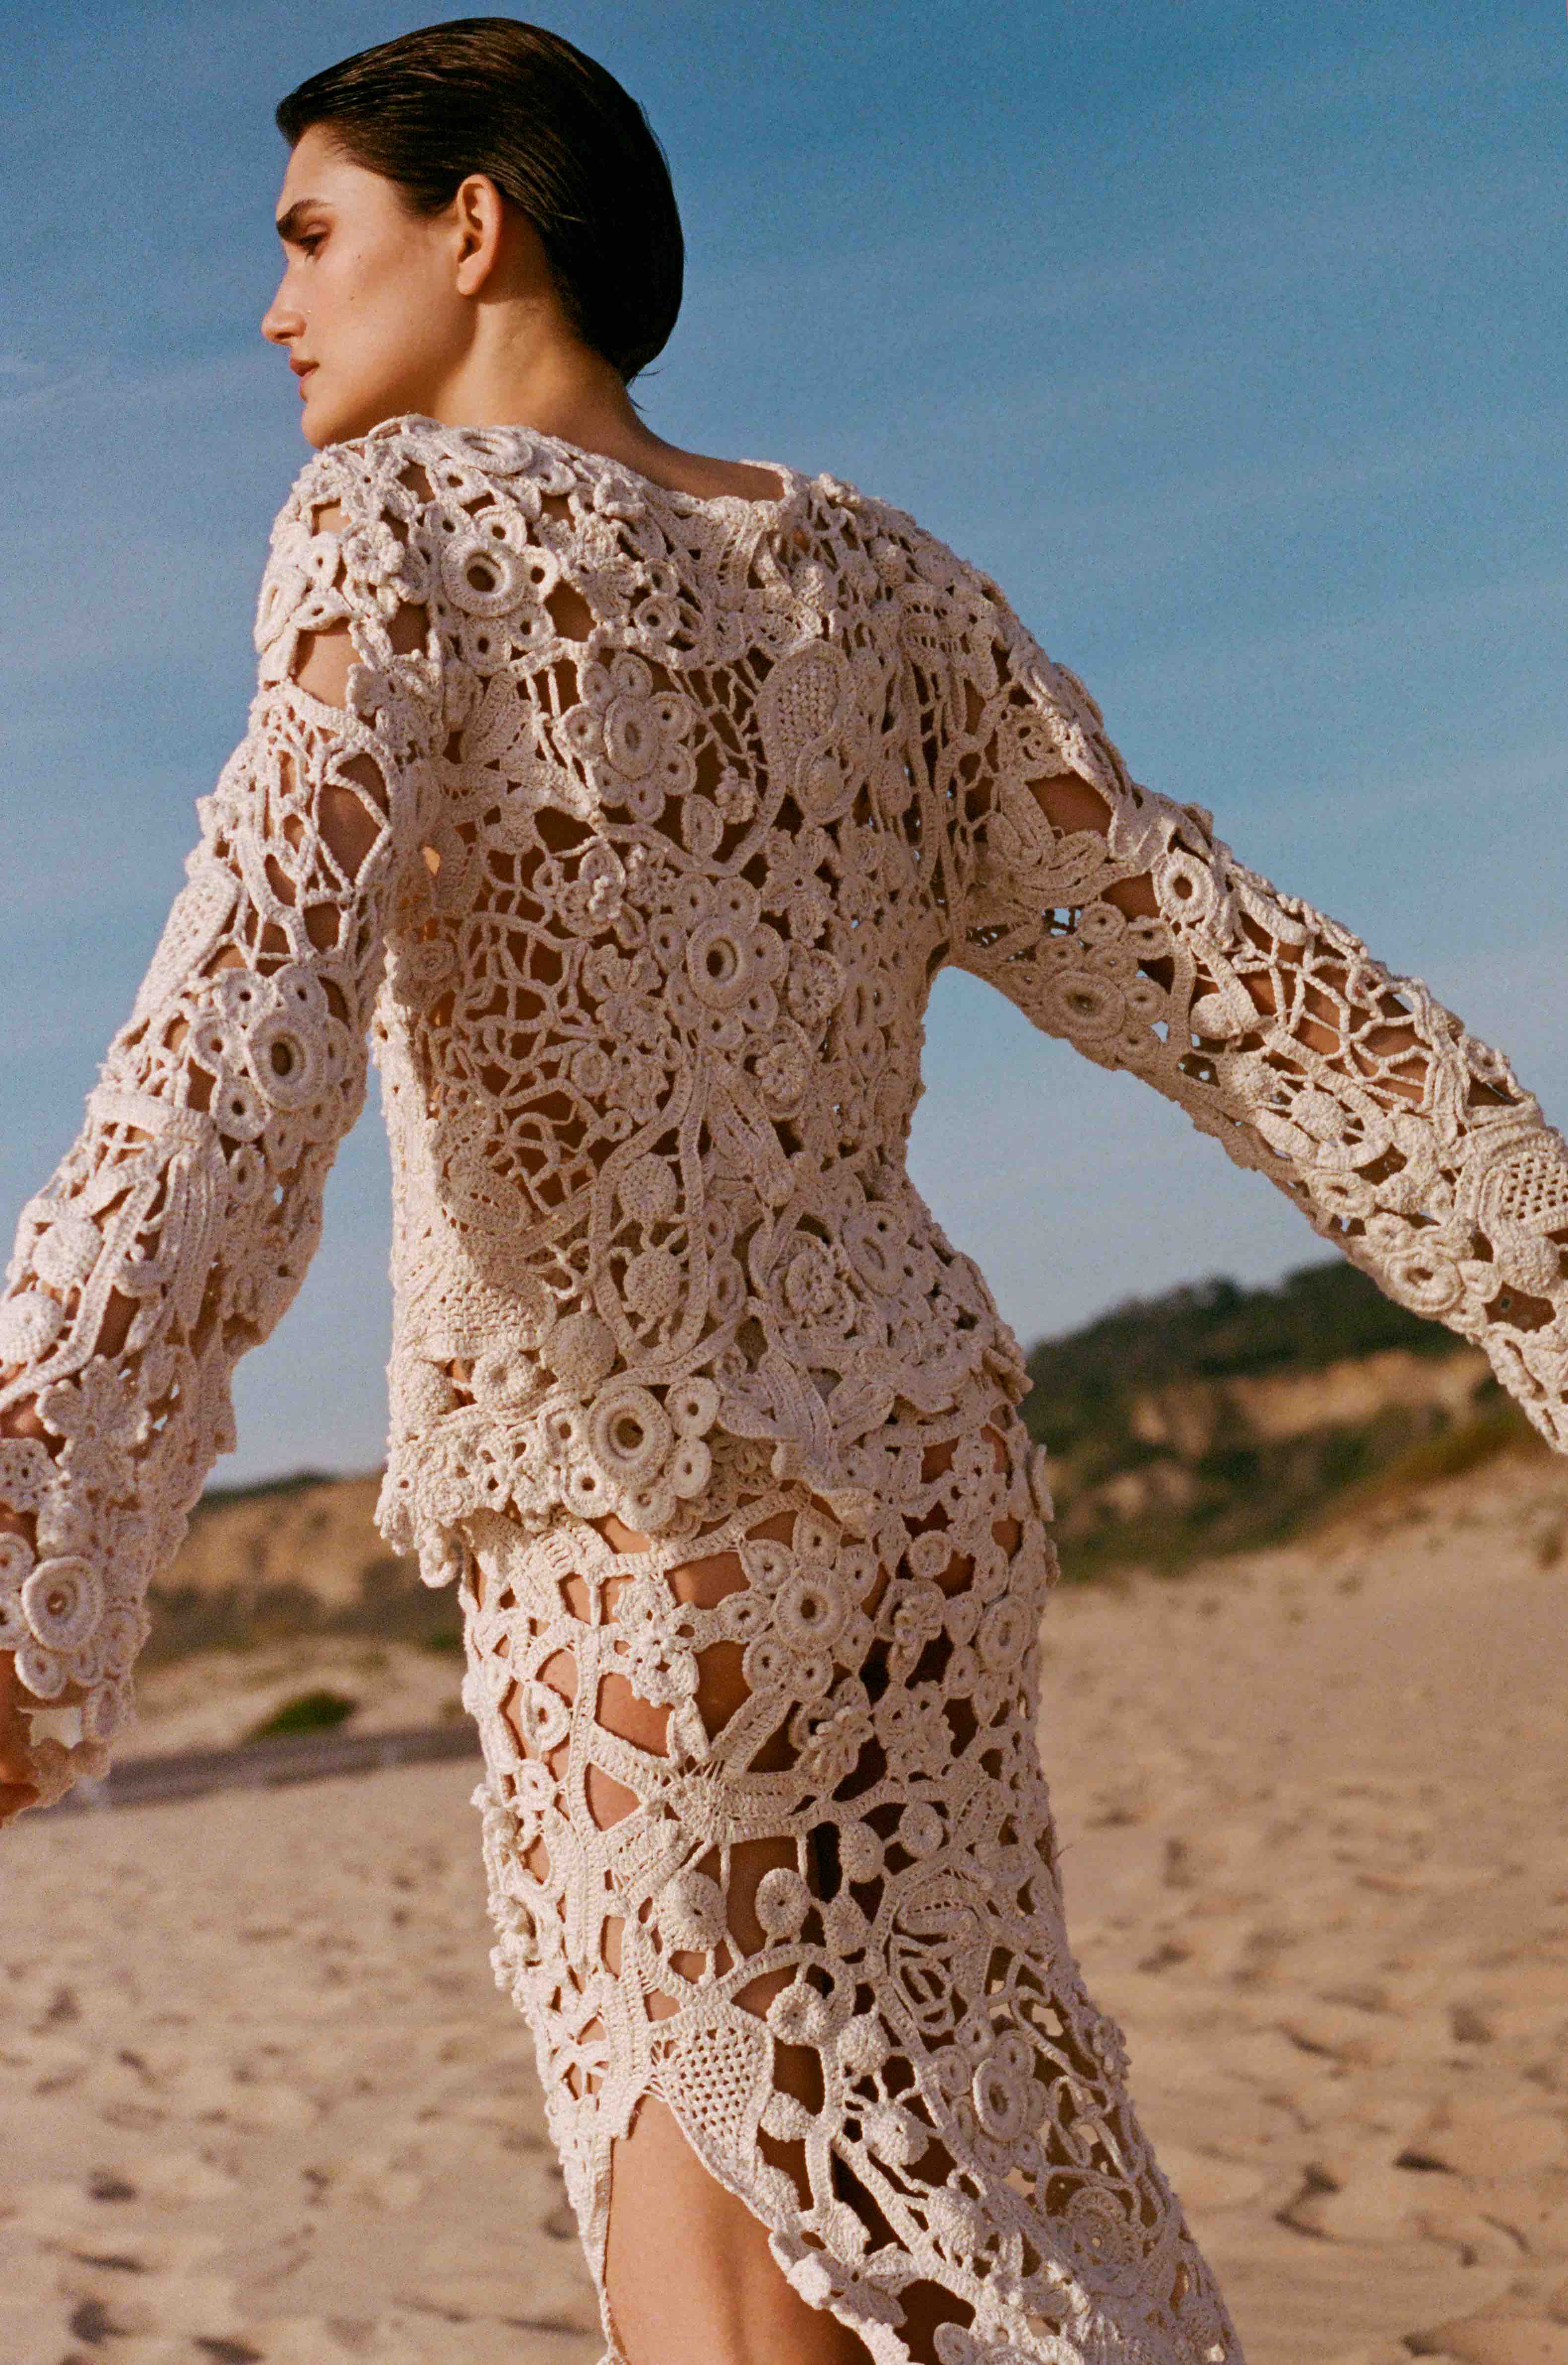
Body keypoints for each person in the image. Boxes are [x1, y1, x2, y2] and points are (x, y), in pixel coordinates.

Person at [1, 18, 1565, 2365]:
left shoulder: (399, 528)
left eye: (312, 238)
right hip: (924, 1516)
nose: (274, 308)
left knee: (736, 2291)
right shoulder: (880, 579)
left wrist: (34, 1525)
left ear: (475, 225)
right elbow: (1216, 975)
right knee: (970, 2201)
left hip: (637, 1529)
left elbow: (243, 1023)